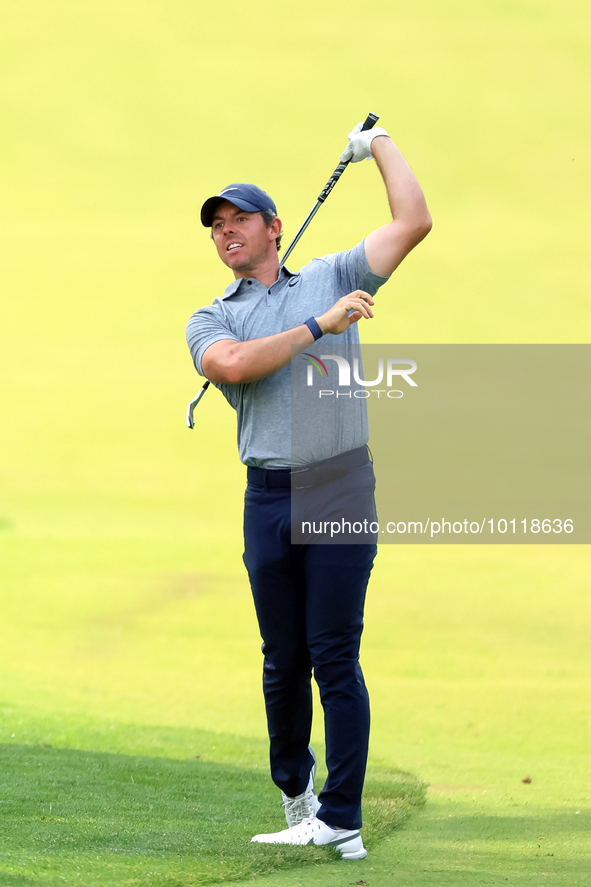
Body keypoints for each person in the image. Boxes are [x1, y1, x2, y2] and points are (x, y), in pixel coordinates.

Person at [186, 122, 431, 860]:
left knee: (333, 651)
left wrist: (379, 144)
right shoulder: (214, 315)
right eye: (217, 227)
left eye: (239, 220)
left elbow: (412, 221)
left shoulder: (332, 270)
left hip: (339, 485)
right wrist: (315, 325)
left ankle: (342, 814)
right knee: (281, 656)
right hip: (267, 495)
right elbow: (232, 365)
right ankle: (296, 799)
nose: (227, 233)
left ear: (273, 229)